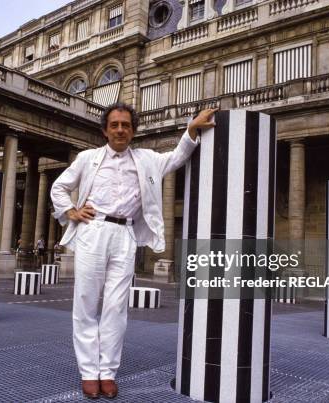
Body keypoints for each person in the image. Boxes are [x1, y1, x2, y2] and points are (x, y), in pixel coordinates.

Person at [50, 102, 215, 399]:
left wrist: (191, 129)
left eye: (125, 125)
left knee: (116, 307)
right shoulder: (88, 158)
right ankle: (89, 372)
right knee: (86, 303)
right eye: (114, 125)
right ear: (105, 130)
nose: (120, 130)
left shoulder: (147, 159)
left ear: (133, 130)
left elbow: (177, 157)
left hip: (125, 233)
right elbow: (59, 188)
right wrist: (70, 211)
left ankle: (108, 372)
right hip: (93, 230)